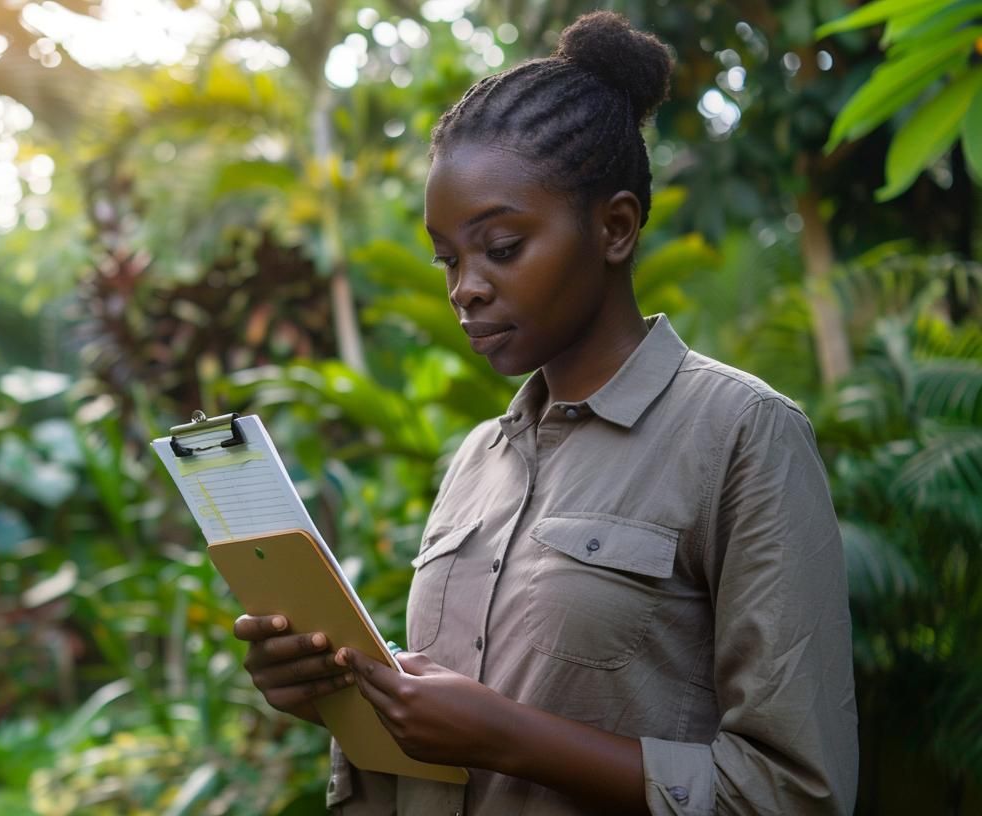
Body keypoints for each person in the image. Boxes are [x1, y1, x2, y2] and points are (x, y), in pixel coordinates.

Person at [232, 10, 858, 815]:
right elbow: (437, 748)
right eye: (448, 259)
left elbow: (798, 792)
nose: (466, 287)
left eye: (500, 247)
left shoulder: (741, 434)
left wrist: (509, 736)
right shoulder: (475, 463)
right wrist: (337, 695)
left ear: (616, 227)